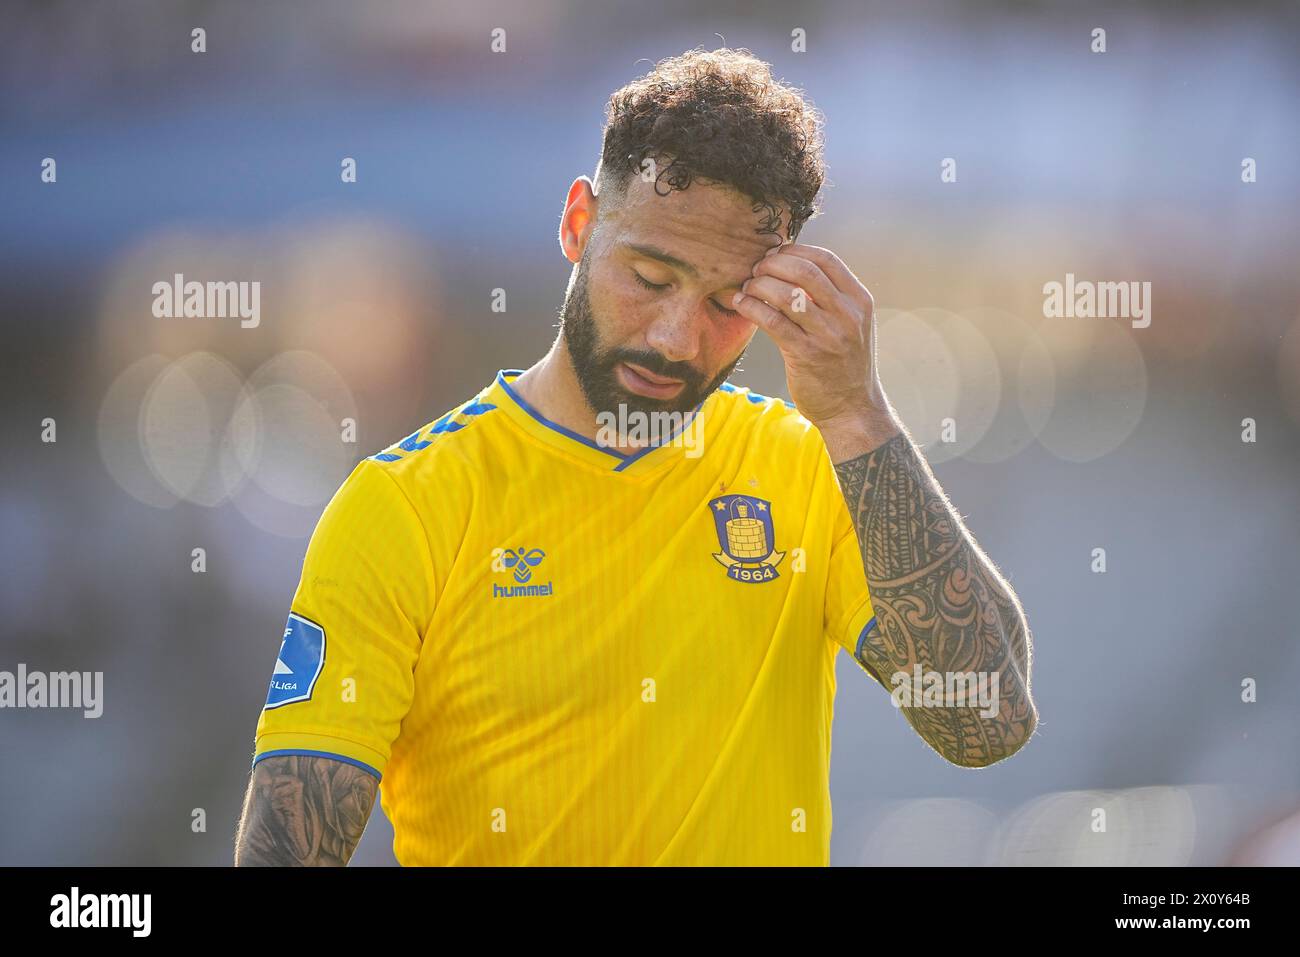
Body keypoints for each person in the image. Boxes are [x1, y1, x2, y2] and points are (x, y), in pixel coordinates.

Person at [235, 47, 1036, 867]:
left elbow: (986, 719)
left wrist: (857, 413)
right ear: (579, 224)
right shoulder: (407, 506)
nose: (675, 338)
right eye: (650, 277)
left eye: (730, 303)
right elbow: (286, 853)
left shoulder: (809, 467)